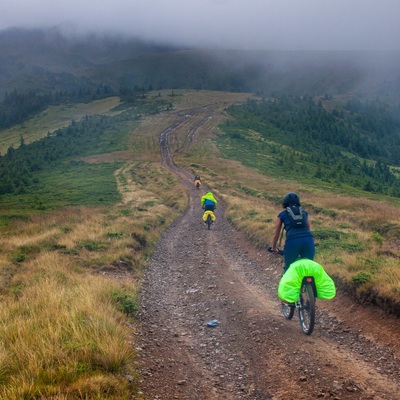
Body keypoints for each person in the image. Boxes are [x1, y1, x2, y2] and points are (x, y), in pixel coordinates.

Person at [271, 192, 314, 273]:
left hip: (292, 241)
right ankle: (311, 285)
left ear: (285, 203)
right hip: (308, 239)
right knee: (309, 267)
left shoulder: (282, 214)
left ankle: (286, 284)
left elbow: (276, 233)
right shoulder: (304, 213)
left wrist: (273, 247)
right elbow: (308, 228)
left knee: (288, 269)